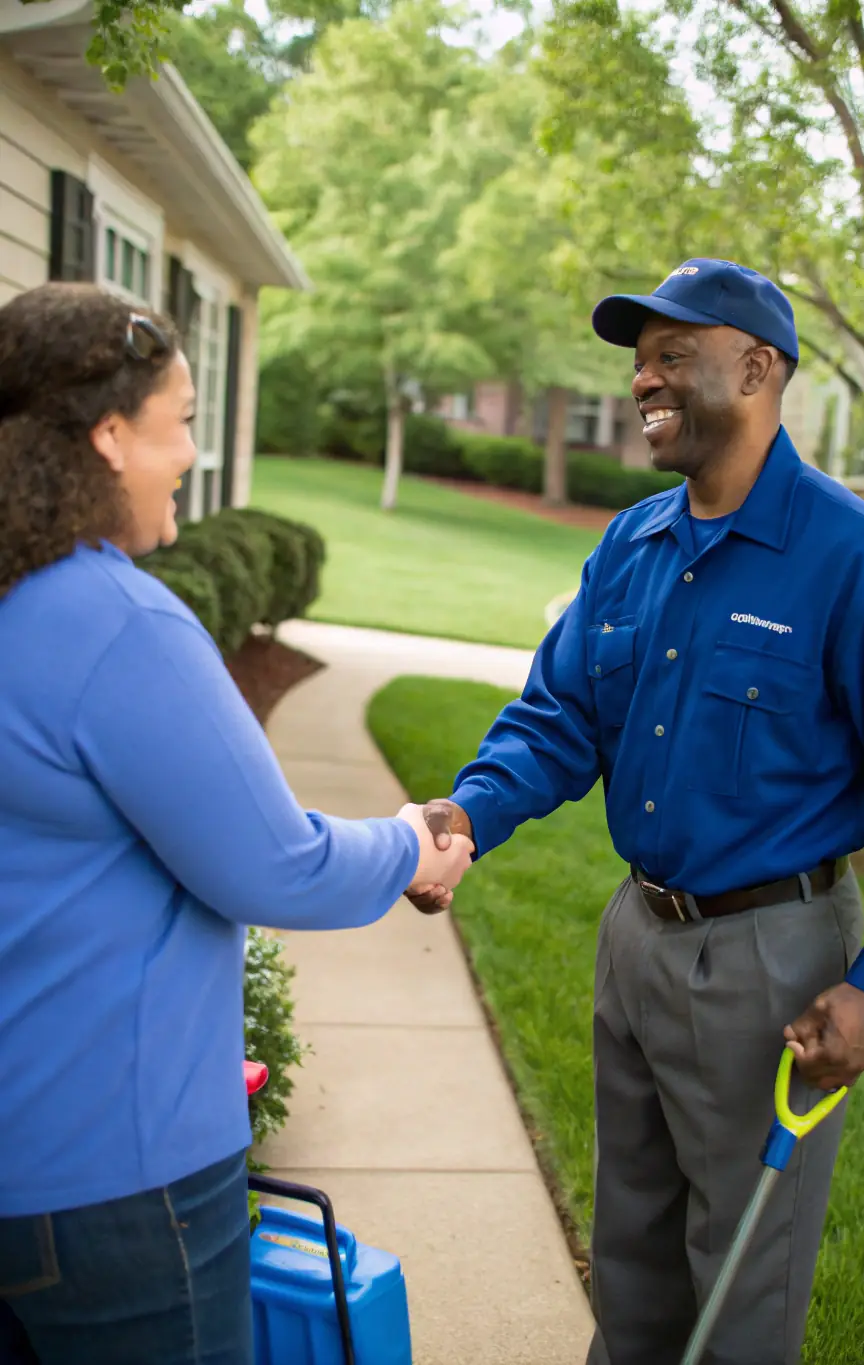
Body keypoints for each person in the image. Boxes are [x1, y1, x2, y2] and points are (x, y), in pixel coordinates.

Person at [406, 259, 864, 1365]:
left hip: (773, 962)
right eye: (639, 363)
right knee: (629, 1260)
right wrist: (471, 814)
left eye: (674, 355)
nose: (644, 382)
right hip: (636, 937)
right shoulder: (631, 545)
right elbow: (560, 718)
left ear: (758, 367)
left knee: (738, 1293)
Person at [0, 283, 473, 1365]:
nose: (191, 454)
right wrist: (408, 843)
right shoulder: (115, 621)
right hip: (115, 1184)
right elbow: (276, 864)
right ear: (110, 438)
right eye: (182, 423)